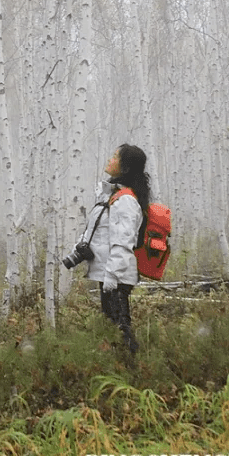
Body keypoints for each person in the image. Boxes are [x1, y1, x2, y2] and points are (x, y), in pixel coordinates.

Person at [73, 144, 150, 354]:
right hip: (109, 273)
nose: (109, 159)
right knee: (113, 323)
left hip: (116, 275)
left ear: (125, 168)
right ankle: (120, 364)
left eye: (115, 157)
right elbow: (98, 232)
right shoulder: (112, 195)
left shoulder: (125, 201)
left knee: (120, 327)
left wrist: (112, 276)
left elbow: (123, 243)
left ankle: (131, 367)